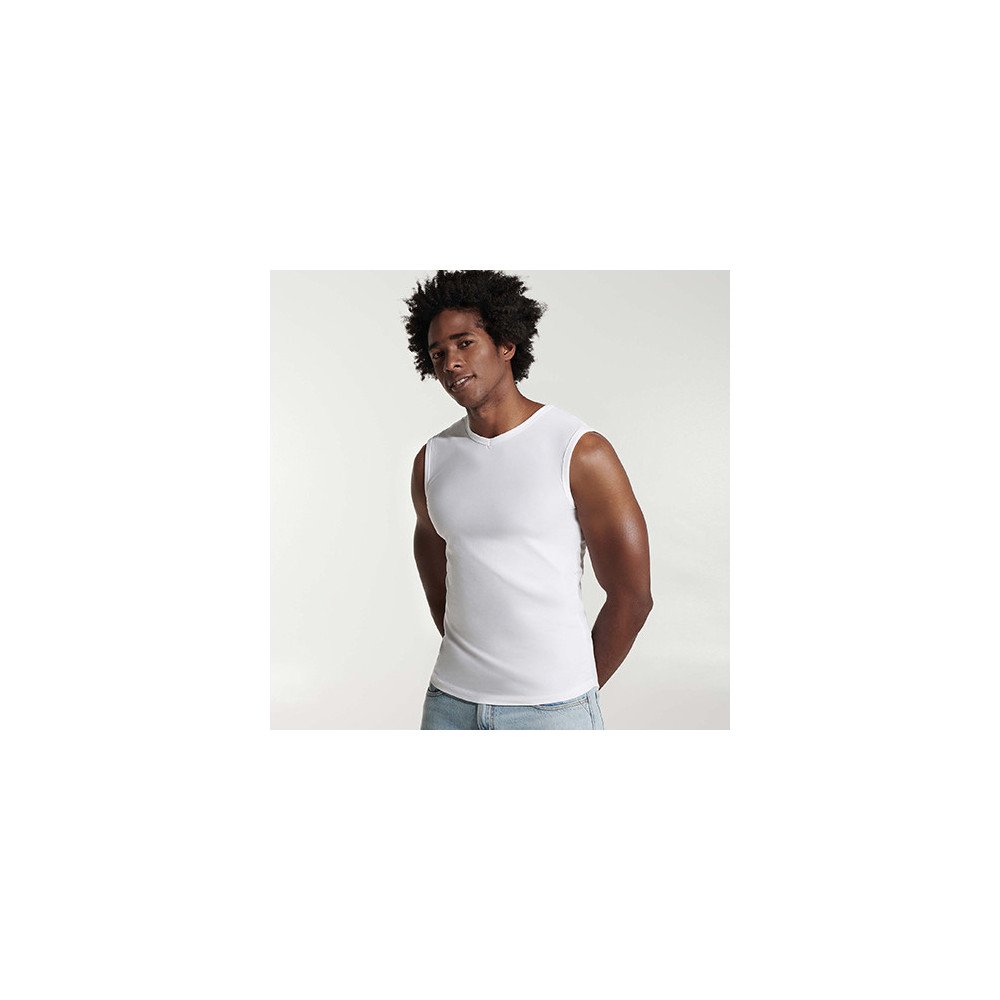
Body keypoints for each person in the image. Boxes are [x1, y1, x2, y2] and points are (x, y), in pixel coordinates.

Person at [404, 270, 653, 729]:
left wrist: (571, 693)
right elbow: (438, 578)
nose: (450, 362)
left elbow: (632, 596)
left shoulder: (578, 450)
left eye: (464, 343)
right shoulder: (433, 459)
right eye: (438, 353)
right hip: (449, 705)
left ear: (506, 343)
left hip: (552, 711)